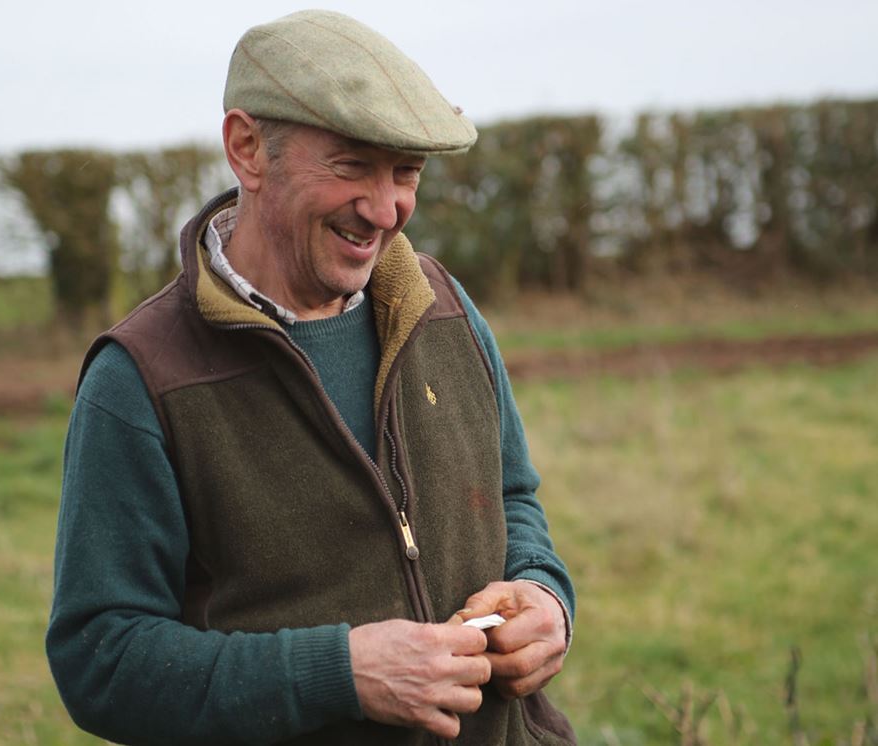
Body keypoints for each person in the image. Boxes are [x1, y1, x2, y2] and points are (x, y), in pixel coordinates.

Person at [47, 10, 575, 745]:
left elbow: (513, 500)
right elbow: (100, 659)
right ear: (247, 149)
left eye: (407, 172)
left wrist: (546, 598)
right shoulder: (141, 377)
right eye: (352, 165)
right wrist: (340, 673)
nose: (386, 208)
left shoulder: (444, 310)